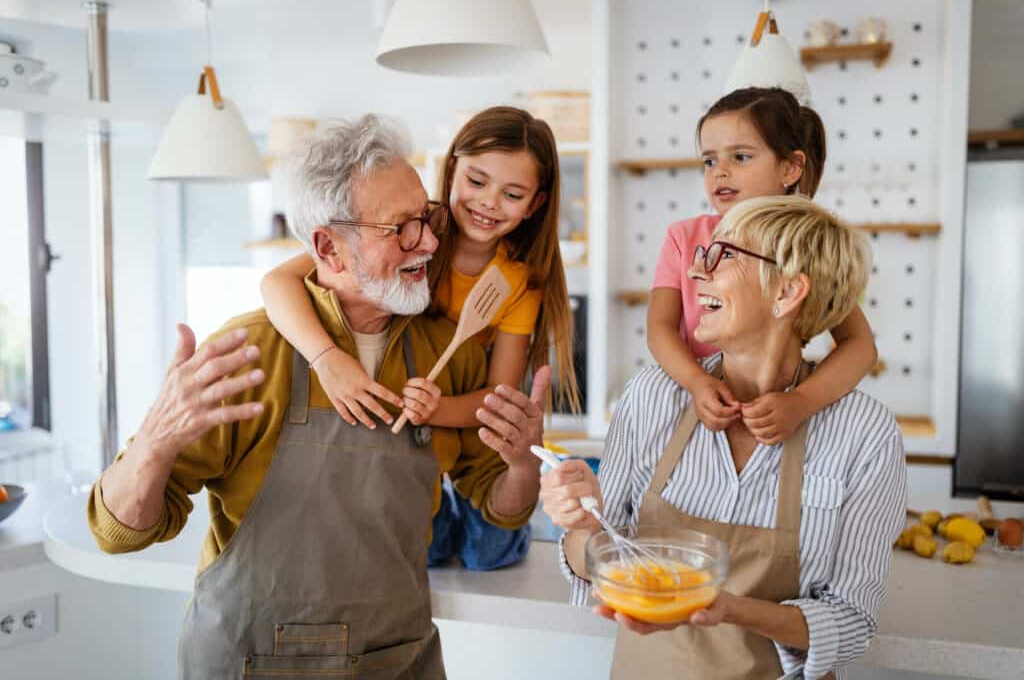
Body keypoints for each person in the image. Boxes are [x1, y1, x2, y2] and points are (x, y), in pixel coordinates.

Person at [87, 115, 548, 679]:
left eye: (425, 217)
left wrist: (523, 461)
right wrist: (153, 446)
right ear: (328, 248)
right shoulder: (250, 353)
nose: (430, 242)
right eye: (400, 228)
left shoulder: (446, 355)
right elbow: (118, 532)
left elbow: (500, 505)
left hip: (400, 662)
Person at [542, 197, 907, 679]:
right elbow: (593, 564)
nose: (695, 273)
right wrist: (580, 524)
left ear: (787, 293)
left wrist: (728, 608)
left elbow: (852, 620)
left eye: (725, 256)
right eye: (702, 255)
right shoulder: (655, 396)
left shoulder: (864, 433)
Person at [260, 106, 579, 570]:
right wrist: (327, 359)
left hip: (471, 420)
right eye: (476, 181)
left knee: (487, 554)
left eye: (512, 193)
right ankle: (443, 511)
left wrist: (439, 409)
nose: (489, 202)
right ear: (451, 170)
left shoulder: (516, 284)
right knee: (422, 538)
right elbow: (276, 282)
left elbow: (497, 394)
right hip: (410, 414)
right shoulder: (415, 228)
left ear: (535, 204)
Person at [648, 87, 877, 445]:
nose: (719, 172)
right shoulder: (684, 237)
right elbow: (659, 327)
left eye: (739, 157)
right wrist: (699, 382)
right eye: (709, 161)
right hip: (699, 412)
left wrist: (801, 402)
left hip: (772, 420)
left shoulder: (802, 248)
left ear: (790, 167)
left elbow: (860, 346)